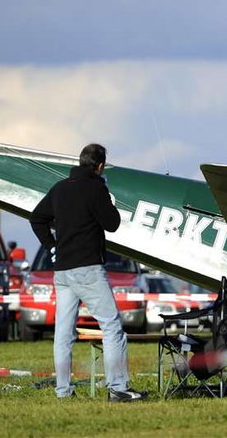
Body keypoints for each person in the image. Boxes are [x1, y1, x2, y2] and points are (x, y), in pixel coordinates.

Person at [29, 143, 146, 402]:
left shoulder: (59, 189)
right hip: (88, 269)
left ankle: (62, 391)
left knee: (63, 333)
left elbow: (37, 218)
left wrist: (52, 246)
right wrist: (104, 192)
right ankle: (118, 388)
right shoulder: (96, 189)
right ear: (100, 166)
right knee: (112, 326)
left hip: (62, 272)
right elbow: (112, 223)